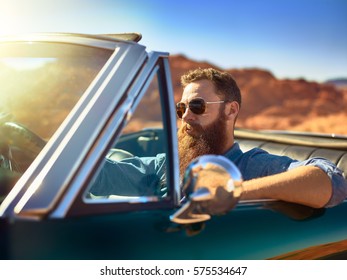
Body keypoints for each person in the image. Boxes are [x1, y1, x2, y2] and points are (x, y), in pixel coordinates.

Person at [91, 68, 347, 209]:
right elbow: (100, 176)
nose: (186, 116)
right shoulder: (166, 165)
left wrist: (229, 191)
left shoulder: (250, 166)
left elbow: (330, 181)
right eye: (181, 108)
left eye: (198, 106)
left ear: (231, 110)